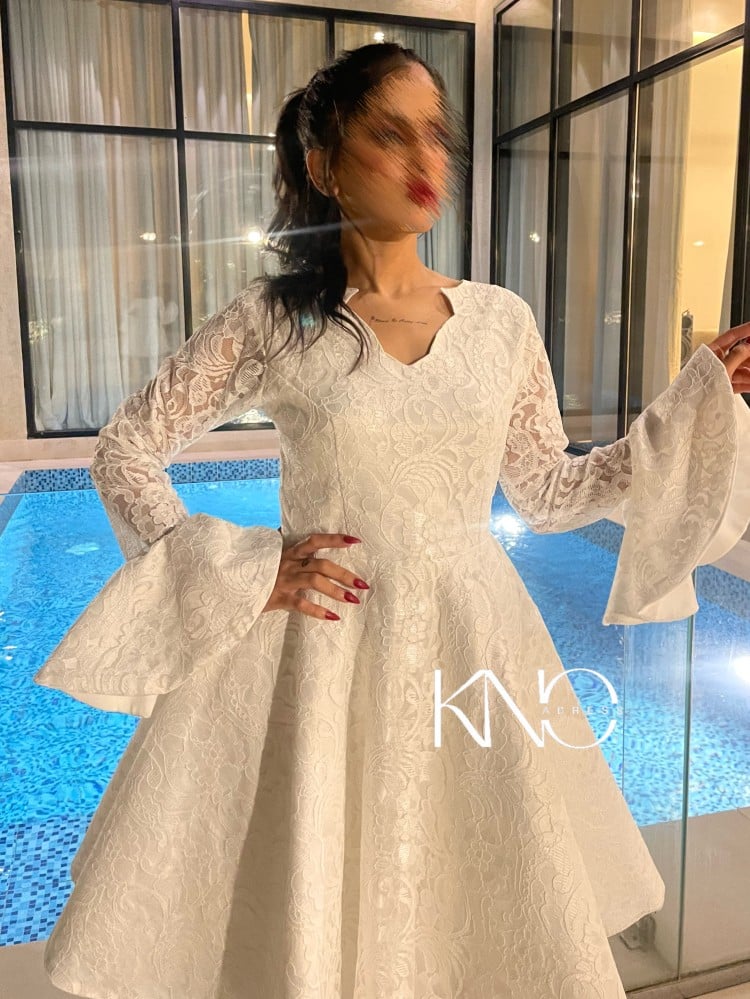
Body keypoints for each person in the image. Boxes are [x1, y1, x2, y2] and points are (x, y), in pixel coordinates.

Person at [35, 42, 750, 999]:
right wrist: (241, 568)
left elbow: (550, 492)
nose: (425, 160)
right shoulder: (274, 320)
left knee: (481, 904)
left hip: (471, 648)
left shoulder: (500, 321)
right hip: (321, 654)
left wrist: (684, 413)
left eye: (437, 136)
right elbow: (125, 447)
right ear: (323, 163)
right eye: (391, 133)